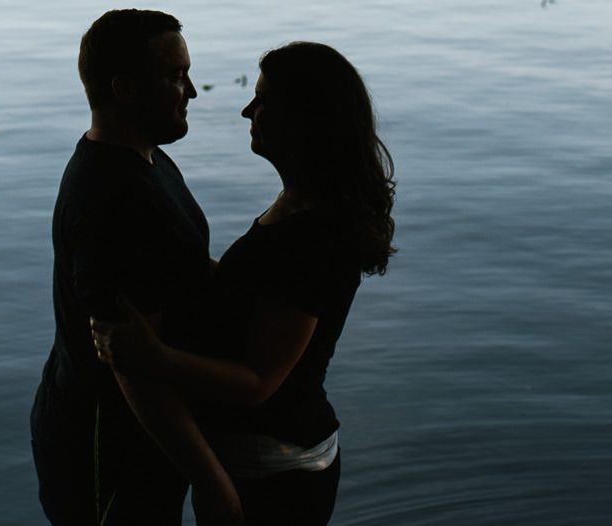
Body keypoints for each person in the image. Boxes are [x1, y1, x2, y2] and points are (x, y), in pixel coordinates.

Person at [91, 41, 396, 526]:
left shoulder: (314, 238)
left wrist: (151, 357)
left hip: (275, 469)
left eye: (263, 100)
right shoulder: (300, 203)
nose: (246, 110)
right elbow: (257, 290)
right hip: (264, 460)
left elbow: (259, 382)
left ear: (304, 117)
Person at [31, 9, 243, 526]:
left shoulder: (143, 158)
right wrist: (209, 478)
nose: (191, 91)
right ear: (124, 89)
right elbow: (134, 368)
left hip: (129, 439)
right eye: (175, 77)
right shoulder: (116, 200)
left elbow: (181, 266)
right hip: (109, 449)